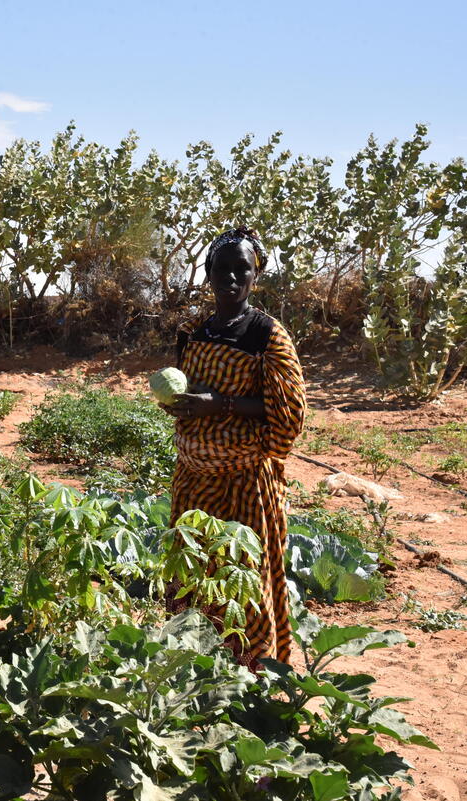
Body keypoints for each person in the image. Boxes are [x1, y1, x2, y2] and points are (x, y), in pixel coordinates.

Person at [159, 227, 306, 668]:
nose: (231, 277)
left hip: (245, 484)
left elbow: (288, 413)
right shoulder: (194, 332)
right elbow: (188, 393)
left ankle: (251, 675)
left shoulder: (266, 335)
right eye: (221, 269)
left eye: (241, 268)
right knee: (192, 575)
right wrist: (184, 408)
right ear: (207, 274)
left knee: (243, 581)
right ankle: (191, 667)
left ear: (255, 274)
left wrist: (218, 404)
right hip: (192, 482)